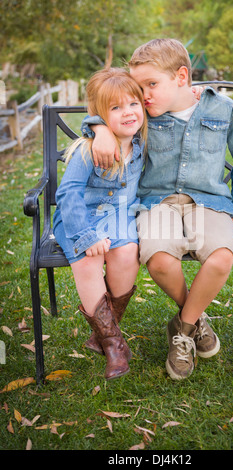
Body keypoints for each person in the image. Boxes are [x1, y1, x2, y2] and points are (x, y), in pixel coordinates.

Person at [81, 39, 233, 380]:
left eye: (151, 85)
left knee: (222, 256)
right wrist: (99, 128)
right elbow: (108, 107)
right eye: (140, 87)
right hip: (157, 202)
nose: (144, 95)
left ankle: (184, 328)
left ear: (181, 76)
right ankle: (197, 319)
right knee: (161, 260)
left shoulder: (222, 108)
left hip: (209, 202)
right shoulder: (144, 111)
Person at [53, 68, 147, 380]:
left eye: (133, 104)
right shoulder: (89, 148)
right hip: (78, 215)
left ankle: (103, 331)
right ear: (101, 117)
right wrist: (86, 234)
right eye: (116, 108)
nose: (128, 113)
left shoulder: (141, 144)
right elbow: (67, 195)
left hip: (119, 214)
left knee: (127, 253)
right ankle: (113, 344)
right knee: (88, 260)